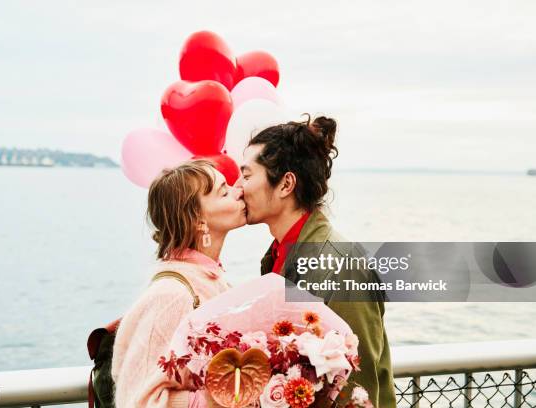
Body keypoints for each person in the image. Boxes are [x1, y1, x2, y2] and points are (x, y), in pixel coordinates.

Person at [235, 115, 397, 407]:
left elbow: (358, 390)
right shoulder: (277, 255)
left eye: (246, 176)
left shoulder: (342, 264)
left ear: (285, 184)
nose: (238, 188)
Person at [111, 159, 246, 408]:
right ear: (199, 221)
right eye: (224, 191)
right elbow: (138, 401)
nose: (240, 191)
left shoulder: (212, 280)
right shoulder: (171, 296)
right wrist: (219, 401)